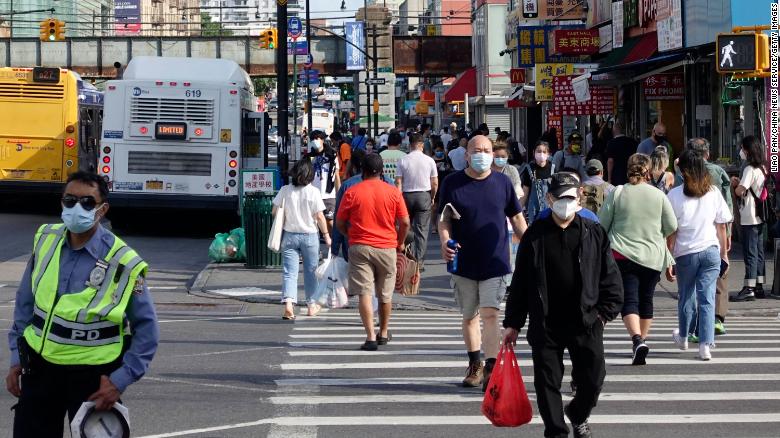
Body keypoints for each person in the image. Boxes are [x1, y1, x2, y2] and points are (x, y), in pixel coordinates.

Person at [7, 171, 159, 436]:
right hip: (40, 368)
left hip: (93, 378)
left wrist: (119, 381)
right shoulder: (46, 239)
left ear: (102, 209)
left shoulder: (124, 262)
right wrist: (16, 357)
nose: (77, 207)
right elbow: (25, 303)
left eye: (87, 202)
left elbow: (147, 330)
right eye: (69, 200)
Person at [503, 172, 623, 438]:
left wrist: (605, 312)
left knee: (593, 377)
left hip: (586, 319)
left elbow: (610, 275)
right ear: (549, 199)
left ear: (579, 197)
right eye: (560, 198)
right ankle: (556, 432)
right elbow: (520, 281)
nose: (565, 203)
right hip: (546, 321)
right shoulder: (535, 235)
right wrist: (512, 323)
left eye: (570, 197)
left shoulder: (593, 232)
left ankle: (578, 413)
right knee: (547, 383)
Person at [437, 135, 528, 391]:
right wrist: (445, 240)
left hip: (495, 260)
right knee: (469, 316)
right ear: (466, 154)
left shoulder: (503, 182)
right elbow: (443, 219)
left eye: (487, 150)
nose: (483, 154)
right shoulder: (452, 183)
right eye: (477, 150)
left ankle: (490, 366)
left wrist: (534, 246)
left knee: (490, 314)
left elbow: (518, 219)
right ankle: (474, 362)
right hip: (462, 261)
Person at [599, 154, 677, 365]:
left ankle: (636, 340)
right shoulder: (658, 195)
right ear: (648, 171)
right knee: (646, 299)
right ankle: (641, 341)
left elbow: (602, 225)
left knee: (629, 299)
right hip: (652, 256)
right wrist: (669, 257)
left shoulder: (618, 192)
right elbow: (671, 226)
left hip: (622, 255)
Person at [336, 154, 411, 351]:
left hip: (359, 245)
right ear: (382, 171)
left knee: (364, 293)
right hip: (387, 247)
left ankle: (370, 336)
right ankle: (384, 332)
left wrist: (350, 234)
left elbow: (340, 222)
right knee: (385, 294)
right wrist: (399, 242)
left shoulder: (352, 191)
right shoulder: (393, 192)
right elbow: (405, 222)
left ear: (362, 171)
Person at [666, 150, 732, 360]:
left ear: (683, 171)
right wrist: (724, 254)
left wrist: (669, 257)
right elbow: (721, 226)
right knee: (707, 298)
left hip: (686, 253)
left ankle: (684, 338)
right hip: (711, 251)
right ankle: (705, 345)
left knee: (686, 296)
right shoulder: (713, 192)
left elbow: (671, 231)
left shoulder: (674, 195)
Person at [685, 138, 736, 330]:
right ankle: (717, 317)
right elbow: (728, 204)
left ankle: (694, 320)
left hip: (693, 230)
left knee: (692, 276)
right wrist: (729, 233)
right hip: (717, 227)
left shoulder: (685, 172)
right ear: (707, 153)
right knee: (720, 271)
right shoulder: (718, 172)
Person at [273, 159, 332, 319]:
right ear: (309, 175)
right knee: (311, 272)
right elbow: (320, 216)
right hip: (309, 236)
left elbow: (274, 211)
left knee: (289, 272)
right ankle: (311, 306)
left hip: (289, 235)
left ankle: (289, 305)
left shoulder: (285, 190)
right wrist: (326, 235)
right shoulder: (313, 192)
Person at [730, 135, 769, 301]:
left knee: (750, 252)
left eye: (743, 149)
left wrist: (735, 184)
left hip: (749, 215)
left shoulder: (749, 169)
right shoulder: (763, 168)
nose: (741, 152)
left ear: (748, 150)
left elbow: (741, 190)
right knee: (759, 252)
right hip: (760, 215)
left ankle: (749, 287)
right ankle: (759, 284)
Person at [396, 133, 439, 266]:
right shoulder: (429, 160)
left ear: (410, 144)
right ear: (421, 145)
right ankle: (418, 262)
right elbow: (435, 183)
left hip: (406, 196)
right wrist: (432, 197)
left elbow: (398, 183)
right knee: (422, 230)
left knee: (405, 227)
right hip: (423, 195)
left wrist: (398, 200)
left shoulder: (403, 160)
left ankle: (406, 257)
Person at [308, 130, 341, 231]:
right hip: (313, 194)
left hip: (328, 194)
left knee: (330, 222)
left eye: (317, 138)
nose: (315, 141)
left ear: (322, 140)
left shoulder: (332, 155)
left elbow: (336, 176)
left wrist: (339, 194)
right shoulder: (309, 157)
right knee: (314, 223)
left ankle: (332, 245)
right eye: (313, 139)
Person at [520, 140, 556, 224]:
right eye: (538, 151)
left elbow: (556, 190)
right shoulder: (529, 169)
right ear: (534, 152)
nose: (541, 154)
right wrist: (520, 209)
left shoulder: (553, 169)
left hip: (550, 208)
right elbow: (525, 191)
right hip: (533, 210)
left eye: (544, 152)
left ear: (548, 154)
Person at [606, 121, 638, 186]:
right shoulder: (633, 142)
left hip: (617, 175)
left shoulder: (611, 143)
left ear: (614, 131)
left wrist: (609, 179)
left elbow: (610, 161)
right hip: (631, 173)